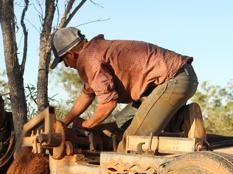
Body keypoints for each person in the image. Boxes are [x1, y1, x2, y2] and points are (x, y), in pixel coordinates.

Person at [50, 27, 198, 148]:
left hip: (174, 80)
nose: (67, 66)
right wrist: (64, 122)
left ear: (70, 54)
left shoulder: (90, 60)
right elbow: (87, 94)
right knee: (122, 122)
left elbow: (108, 103)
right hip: (178, 77)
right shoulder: (93, 52)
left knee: (132, 142)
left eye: (64, 61)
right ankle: (184, 119)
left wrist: (87, 125)